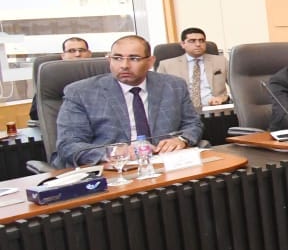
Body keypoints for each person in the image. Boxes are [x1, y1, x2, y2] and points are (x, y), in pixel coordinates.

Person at [53, 35, 201, 167]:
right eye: (117, 58)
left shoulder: (173, 85)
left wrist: (181, 139)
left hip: (163, 164)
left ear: (150, 62)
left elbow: (193, 124)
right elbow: (69, 145)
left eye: (134, 58)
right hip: (113, 169)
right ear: (109, 60)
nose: (124, 65)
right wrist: (114, 152)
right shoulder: (81, 92)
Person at [156, 27, 229, 110]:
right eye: (192, 41)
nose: (198, 44)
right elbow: (158, 93)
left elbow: (236, 86)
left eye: (201, 40)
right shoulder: (166, 65)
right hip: (182, 112)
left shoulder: (221, 61)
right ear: (183, 44)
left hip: (215, 109)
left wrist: (224, 98)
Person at [29, 36, 92, 123]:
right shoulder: (53, 78)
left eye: (82, 50)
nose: (77, 54)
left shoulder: (100, 75)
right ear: (63, 56)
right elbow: (35, 115)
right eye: (71, 51)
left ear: (89, 54)